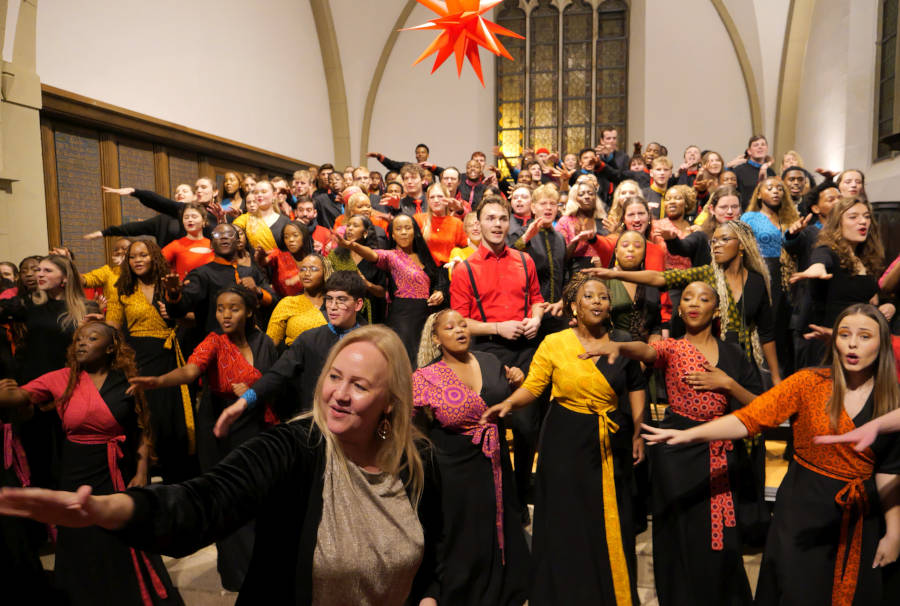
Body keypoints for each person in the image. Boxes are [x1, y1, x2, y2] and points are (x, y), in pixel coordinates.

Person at [0, 324, 442, 606]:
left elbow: (435, 553)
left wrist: (428, 598)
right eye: (333, 376)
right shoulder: (294, 448)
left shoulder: (416, 463)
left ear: (390, 403)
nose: (338, 394)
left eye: (360, 385)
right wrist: (112, 508)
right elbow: (205, 500)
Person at [643, 303, 900, 606]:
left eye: (865, 336)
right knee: (796, 591)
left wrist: (894, 532)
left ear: (882, 343)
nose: (853, 344)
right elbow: (750, 418)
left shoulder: (891, 398)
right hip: (802, 509)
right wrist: (687, 434)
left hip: (858, 517)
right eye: (845, 335)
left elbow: (890, 468)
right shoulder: (808, 383)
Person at [583, 281, 762, 605]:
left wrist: (728, 383)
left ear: (717, 309)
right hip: (676, 453)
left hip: (720, 453)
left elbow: (762, 409)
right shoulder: (672, 347)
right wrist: (621, 347)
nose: (694, 303)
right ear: (678, 310)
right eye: (688, 298)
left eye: (704, 298)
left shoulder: (733, 354)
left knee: (717, 541)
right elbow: (647, 351)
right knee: (680, 535)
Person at [481, 274, 646, 605]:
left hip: (608, 437)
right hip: (563, 438)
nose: (598, 301)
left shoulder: (623, 340)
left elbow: (637, 385)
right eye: (590, 296)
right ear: (574, 305)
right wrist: (511, 402)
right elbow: (535, 386)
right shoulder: (555, 343)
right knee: (565, 516)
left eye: (603, 297)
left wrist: (639, 431)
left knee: (606, 515)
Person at [0, 321, 182, 605]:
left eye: (92, 338)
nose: (81, 343)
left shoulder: (127, 380)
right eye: (78, 339)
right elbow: (19, 396)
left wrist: (143, 468)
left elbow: (143, 426)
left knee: (119, 534)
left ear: (110, 348)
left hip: (114, 471)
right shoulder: (62, 378)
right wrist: (5, 390)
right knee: (80, 536)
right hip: (76, 470)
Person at [128, 286, 278, 591]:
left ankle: (263, 569)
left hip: (254, 425)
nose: (225, 314)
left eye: (234, 308)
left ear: (249, 312)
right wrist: (158, 381)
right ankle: (237, 574)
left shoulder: (265, 342)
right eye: (221, 308)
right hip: (219, 427)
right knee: (227, 498)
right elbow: (190, 370)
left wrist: (254, 387)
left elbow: (276, 381)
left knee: (256, 497)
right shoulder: (213, 341)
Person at [412, 309, 530, 605]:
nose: (459, 330)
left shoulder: (491, 361)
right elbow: (411, 424)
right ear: (436, 338)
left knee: (500, 518)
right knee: (462, 531)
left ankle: (505, 588)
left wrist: (516, 383)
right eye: (450, 328)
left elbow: (507, 404)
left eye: (463, 325)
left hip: (496, 459)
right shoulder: (425, 377)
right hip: (453, 466)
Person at [451, 195, 546, 518]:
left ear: (510, 222)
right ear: (478, 224)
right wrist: (497, 328)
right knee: (492, 425)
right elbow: (460, 322)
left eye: (502, 219)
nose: (497, 225)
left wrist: (536, 318)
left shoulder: (524, 261)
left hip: (525, 349)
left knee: (526, 426)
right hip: (487, 353)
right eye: (490, 218)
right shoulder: (465, 269)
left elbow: (537, 299)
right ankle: (496, 498)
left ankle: (520, 498)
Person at [107, 239, 197, 483]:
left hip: (169, 354)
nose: (137, 260)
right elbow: (113, 326)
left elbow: (191, 319)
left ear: (154, 257)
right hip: (137, 356)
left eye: (143, 255)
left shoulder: (168, 284)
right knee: (145, 413)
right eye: (133, 256)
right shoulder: (121, 288)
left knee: (170, 414)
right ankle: (143, 471)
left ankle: (174, 474)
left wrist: (177, 315)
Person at [0, 255, 88, 490]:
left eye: (47, 271)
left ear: (65, 278)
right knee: (36, 449)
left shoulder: (84, 307)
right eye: (38, 270)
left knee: (68, 448)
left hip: (69, 385)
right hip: (32, 384)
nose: (39, 274)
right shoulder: (27, 303)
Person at [233, 271, 366, 418]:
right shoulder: (309, 339)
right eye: (329, 299)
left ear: (358, 304)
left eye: (341, 300)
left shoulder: (370, 342)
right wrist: (246, 399)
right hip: (314, 419)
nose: (333, 306)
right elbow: (278, 373)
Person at [790, 196, 891, 365]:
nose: (863, 222)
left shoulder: (866, 257)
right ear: (838, 223)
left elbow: (876, 293)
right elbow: (822, 256)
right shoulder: (828, 250)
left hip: (858, 343)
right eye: (853, 217)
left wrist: (889, 305)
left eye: (866, 217)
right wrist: (818, 266)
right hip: (827, 344)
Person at [335, 214, 446, 366]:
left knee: (427, 362)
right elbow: (373, 254)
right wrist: (352, 246)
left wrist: (439, 292)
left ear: (415, 231)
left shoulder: (425, 257)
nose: (404, 232)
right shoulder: (391, 256)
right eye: (398, 229)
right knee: (406, 363)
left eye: (408, 228)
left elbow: (437, 280)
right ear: (392, 234)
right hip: (403, 318)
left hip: (426, 317)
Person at [164, 223, 276, 339]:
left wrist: (257, 291)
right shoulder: (201, 274)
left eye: (229, 234)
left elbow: (274, 301)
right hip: (215, 344)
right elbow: (177, 312)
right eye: (218, 234)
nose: (224, 237)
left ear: (238, 243)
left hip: (249, 341)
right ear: (211, 244)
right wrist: (174, 295)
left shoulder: (251, 272)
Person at [742, 176, 800, 377]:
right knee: (764, 325)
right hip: (761, 273)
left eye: (779, 188)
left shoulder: (790, 218)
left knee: (782, 326)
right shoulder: (750, 217)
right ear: (759, 194)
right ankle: (761, 374)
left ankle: (781, 374)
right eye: (770, 188)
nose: (776, 191)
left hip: (786, 277)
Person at [327, 214, 388, 324]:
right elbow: (327, 284)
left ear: (365, 233)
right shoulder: (335, 256)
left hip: (371, 314)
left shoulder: (376, 257)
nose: (350, 228)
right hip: (342, 312)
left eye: (355, 226)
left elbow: (382, 292)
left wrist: (367, 284)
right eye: (348, 225)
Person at [265, 254, 329, 348]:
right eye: (302, 269)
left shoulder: (334, 302)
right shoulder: (288, 303)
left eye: (313, 269)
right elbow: (269, 346)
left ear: (325, 273)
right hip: (295, 359)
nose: (306, 273)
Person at [555, 180, 609, 272]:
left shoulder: (604, 221)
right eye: (581, 194)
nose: (587, 197)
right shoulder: (565, 221)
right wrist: (576, 240)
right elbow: (560, 258)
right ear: (574, 198)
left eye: (590, 193)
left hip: (602, 271)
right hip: (575, 273)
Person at [415, 183, 468, 266]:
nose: (436, 200)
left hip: (448, 270)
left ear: (447, 199)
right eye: (432, 197)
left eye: (440, 196)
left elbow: (466, 248)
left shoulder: (457, 223)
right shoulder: (418, 220)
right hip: (425, 270)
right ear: (428, 201)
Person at [232, 181, 290, 254]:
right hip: (251, 264)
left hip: (278, 264)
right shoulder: (245, 219)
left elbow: (289, 251)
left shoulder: (285, 221)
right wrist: (221, 219)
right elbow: (230, 235)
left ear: (274, 195)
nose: (259, 195)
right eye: (256, 192)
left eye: (264, 191)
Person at [160, 203, 214, 280]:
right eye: (186, 217)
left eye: (194, 217)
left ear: (204, 221)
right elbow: (157, 262)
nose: (190, 220)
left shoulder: (213, 245)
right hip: (187, 289)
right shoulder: (176, 245)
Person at [262, 220, 312, 297]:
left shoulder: (314, 260)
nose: (290, 240)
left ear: (304, 237)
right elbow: (264, 261)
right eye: (286, 237)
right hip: (282, 304)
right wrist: (260, 258)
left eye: (295, 235)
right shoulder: (279, 255)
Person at [730, 135, 775, 209]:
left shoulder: (771, 172)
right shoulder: (738, 171)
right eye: (756, 145)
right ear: (749, 151)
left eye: (763, 144)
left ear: (767, 149)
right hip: (746, 213)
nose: (760, 147)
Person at [81, 237, 131, 301]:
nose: (119, 251)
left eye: (124, 248)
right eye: (116, 250)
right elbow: (85, 279)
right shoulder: (108, 271)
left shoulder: (142, 272)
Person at [446, 211, 482, 275]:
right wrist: (457, 269)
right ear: (465, 230)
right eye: (470, 225)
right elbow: (453, 276)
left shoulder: (491, 252)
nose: (475, 228)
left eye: (478, 225)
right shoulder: (457, 252)